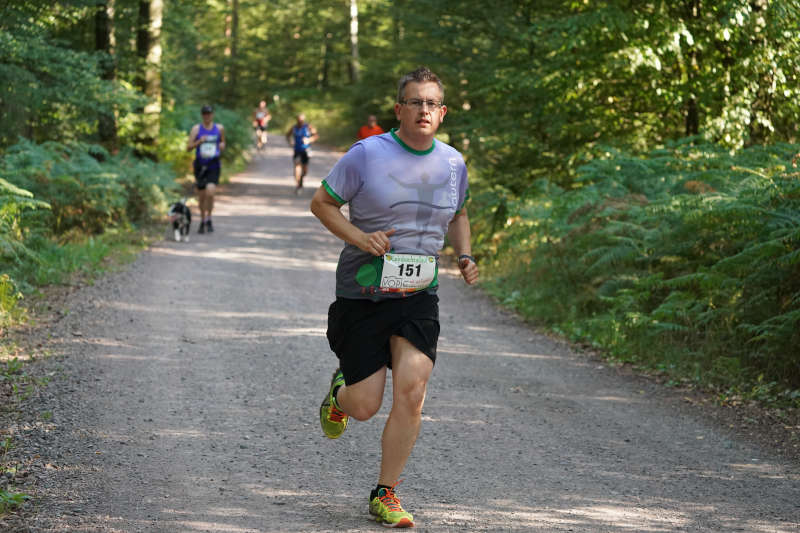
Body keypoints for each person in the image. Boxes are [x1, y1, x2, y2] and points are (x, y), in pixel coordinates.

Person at [310, 67, 478, 528]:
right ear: (399, 109)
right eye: (414, 102)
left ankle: (386, 492)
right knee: (364, 406)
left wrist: (464, 256)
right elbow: (322, 203)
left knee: (412, 390)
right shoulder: (366, 155)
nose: (423, 110)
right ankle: (339, 397)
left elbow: (459, 214)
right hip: (364, 291)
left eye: (431, 103)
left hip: (419, 293)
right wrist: (361, 238)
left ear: (442, 113)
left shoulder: (453, 163)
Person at [186, 105, 225, 233]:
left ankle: (209, 217)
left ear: (212, 115)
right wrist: (199, 142)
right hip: (200, 166)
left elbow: (223, 143)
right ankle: (203, 220)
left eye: (209, 113)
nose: (207, 116)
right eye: (204, 114)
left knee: (210, 192)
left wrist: (221, 145)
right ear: (202, 115)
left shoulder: (219, 128)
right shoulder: (196, 129)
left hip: (213, 165)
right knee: (201, 196)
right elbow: (189, 147)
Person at [285, 113, 318, 194]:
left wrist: (309, 140)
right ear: (297, 120)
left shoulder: (308, 127)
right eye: (299, 120)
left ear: (304, 120)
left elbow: (316, 136)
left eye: (302, 120)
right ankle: (298, 185)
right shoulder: (294, 128)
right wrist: (290, 142)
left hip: (306, 150)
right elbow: (287, 135)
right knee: (297, 167)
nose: (300, 121)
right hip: (297, 150)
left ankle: (301, 181)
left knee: (305, 171)